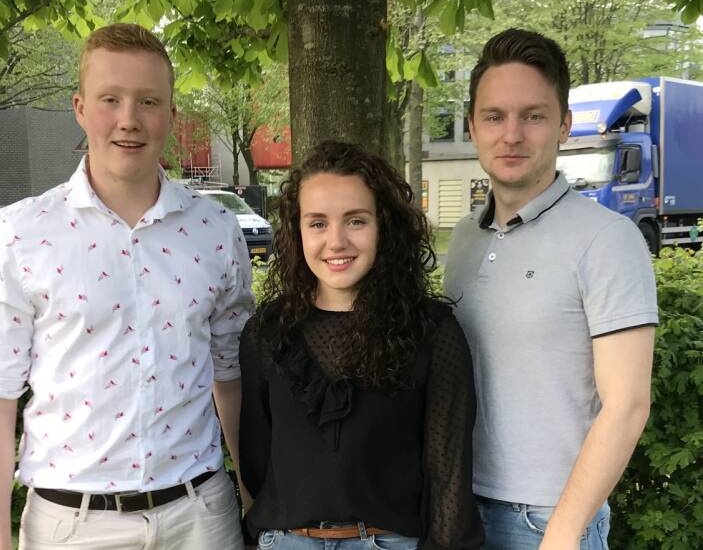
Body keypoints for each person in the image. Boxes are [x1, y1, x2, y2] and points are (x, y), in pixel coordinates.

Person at [0, 23, 253, 550]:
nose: (129, 119)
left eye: (148, 101)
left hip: (201, 519)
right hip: (70, 527)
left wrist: (254, 498)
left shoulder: (216, 231)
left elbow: (230, 376)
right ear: (79, 108)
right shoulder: (23, 233)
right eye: (110, 99)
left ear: (170, 115)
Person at [443, 28, 658, 550]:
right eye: (495, 116)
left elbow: (628, 404)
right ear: (473, 127)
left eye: (533, 116)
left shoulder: (608, 239)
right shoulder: (465, 237)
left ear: (563, 124)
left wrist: (562, 532)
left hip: (546, 520)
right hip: (459, 508)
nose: (512, 134)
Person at [239, 141, 484, 549]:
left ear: (384, 226)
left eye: (355, 221)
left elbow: (447, 470)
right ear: (297, 232)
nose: (336, 241)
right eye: (318, 223)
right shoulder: (266, 333)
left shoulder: (431, 332)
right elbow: (257, 458)